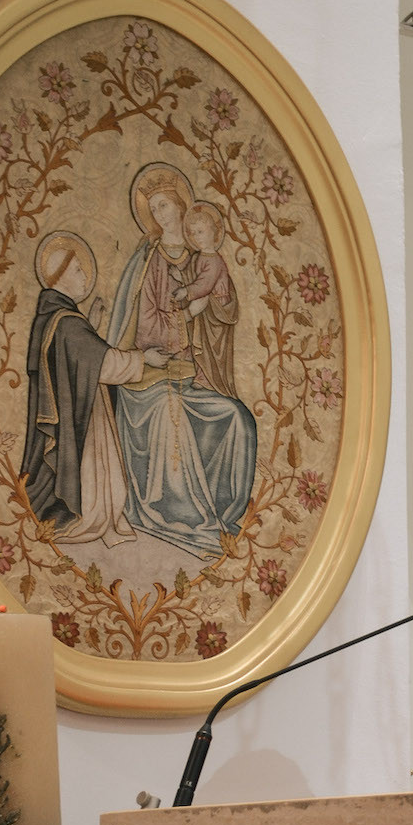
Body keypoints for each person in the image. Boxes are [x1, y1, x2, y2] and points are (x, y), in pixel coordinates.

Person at [107, 165, 257, 559]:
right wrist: (185, 317)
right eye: (153, 208)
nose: (159, 213)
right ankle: (182, 517)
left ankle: (224, 514)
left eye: (164, 205)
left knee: (237, 417)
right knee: (169, 413)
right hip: (149, 376)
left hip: (192, 371)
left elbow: (223, 312)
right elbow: (142, 322)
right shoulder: (148, 259)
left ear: (181, 206)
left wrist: (216, 304)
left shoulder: (202, 256)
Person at [20, 230, 164, 545]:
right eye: (77, 270)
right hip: (80, 422)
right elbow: (103, 363)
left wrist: (92, 327)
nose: (84, 276)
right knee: (94, 474)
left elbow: (77, 358)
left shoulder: (54, 317)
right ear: (60, 278)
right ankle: (85, 514)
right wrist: (144, 358)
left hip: (78, 407)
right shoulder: (67, 322)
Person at [171, 201, 241, 397]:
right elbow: (193, 277)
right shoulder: (197, 257)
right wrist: (181, 276)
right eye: (193, 233)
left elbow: (204, 284)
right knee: (200, 340)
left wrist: (186, 291)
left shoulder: (215, 260)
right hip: (205, 309)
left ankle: (209, 379)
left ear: (214, 232)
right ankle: (199, 370)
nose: (197, 237)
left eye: (201, 232)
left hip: (216, 312)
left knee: (212, 347)